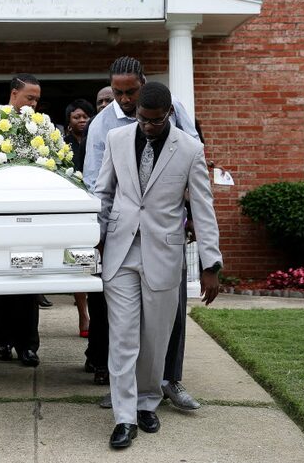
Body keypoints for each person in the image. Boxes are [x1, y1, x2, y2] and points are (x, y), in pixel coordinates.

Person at [94, 82, 222, 449]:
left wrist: (211, 263)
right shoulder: (117, 140)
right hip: (119, 251)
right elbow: (103, 192)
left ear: (168, 113)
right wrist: (93, 241)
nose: (148, 125)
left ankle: (148, 402)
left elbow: (202, 206)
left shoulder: (190, 148)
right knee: (122, 337)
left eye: (155, 120)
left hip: (164, 254)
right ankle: (124, 417)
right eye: (142, 119)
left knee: (155, 338)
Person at [83, 56, 203, 410]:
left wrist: (191, 211)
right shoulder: (103, 126)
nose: (124, 99)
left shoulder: (173, 108)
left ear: (144, 83)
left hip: (166, 232)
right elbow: (96, 182)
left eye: (130, 91)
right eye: (117, 92)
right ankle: (127, 393)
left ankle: (169, 380)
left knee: (170, 315)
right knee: (122, 324)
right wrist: (100, 234)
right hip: (123, 236)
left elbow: (192, 156)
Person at [0, 74, 43, 367]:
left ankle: (28, 345)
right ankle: (2, 340)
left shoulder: (41, 127)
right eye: (29, 98)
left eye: (36, 100)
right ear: (14, 94)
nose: (33, 104)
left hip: (29, 214)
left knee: (28, 280)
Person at [64, 98, 96, 337]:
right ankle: (83, 314)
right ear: (69, 121)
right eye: (77, 117)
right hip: (72, 204)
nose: (82, 120)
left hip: (93, 202)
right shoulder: (63, 145)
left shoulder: (96, 141)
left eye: (85, 116)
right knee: (78, 261)